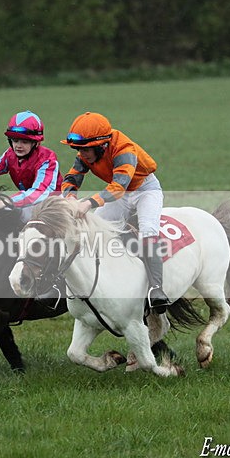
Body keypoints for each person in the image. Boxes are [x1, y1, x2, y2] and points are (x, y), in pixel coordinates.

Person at [60, 111, 172, 313]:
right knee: (94, 231)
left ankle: (157, 290)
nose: (81, 153)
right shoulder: (87, 153)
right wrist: (70, 198)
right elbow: (71, 178)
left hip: (144, 190)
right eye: (77, 148)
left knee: (148, 231)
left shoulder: (124, 150)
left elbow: (120, 186)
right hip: (120, 191)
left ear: (102, 145)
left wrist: (89, 203)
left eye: (85, 149)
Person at [0, 111, 62, 222]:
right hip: (28, 202)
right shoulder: (9, 155)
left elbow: (39, 193)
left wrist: (7, 201)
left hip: (52, 206)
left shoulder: (47, 160)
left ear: (36, 143)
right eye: (15, 140)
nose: (18, 146)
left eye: (24, 142)